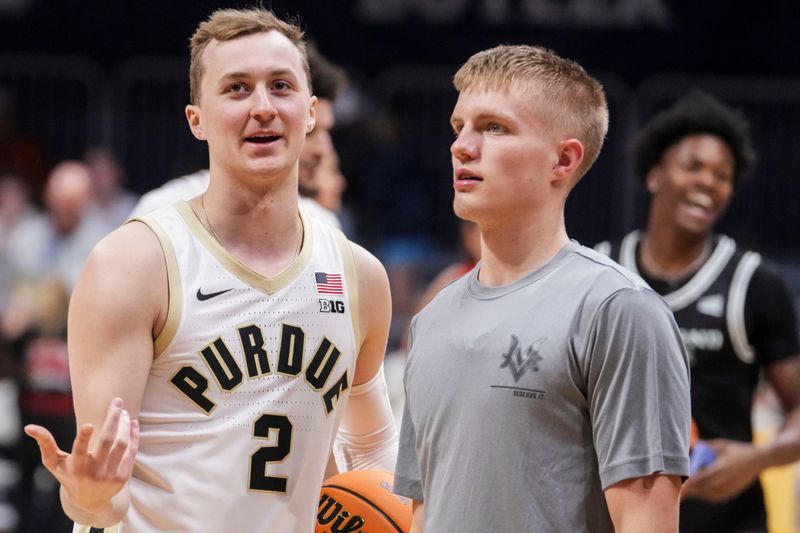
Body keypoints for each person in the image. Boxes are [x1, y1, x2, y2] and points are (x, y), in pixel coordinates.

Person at [23, 8, 398, 532]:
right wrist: (86, 496)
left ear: (311, 113)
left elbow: (372, 452)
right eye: (237, 89)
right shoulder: (134, 263)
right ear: (196, 119)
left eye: (281, 86)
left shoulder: (360, 276)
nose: (263, 107)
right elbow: (102, 500)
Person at [393, 44, 691, 533]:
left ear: (563, 159)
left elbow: (648, 523)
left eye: (494, 127)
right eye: (458, 126)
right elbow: (426, 514)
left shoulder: (618, 310)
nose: (462, 146)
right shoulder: (431, 319)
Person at [595, 90, 800, 533]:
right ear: (654, 174)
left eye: (722, 175)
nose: (708, 181)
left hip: (730, 520)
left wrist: (758, 458)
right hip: (615, 518)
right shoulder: (599, 274)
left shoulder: (754, 283)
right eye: (693, 166)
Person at [130, 43, 347, 233]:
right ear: (197, 120)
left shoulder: (323, 226)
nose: (323, 150)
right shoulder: (161, 215)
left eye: (280, 86)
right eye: (313, 132)